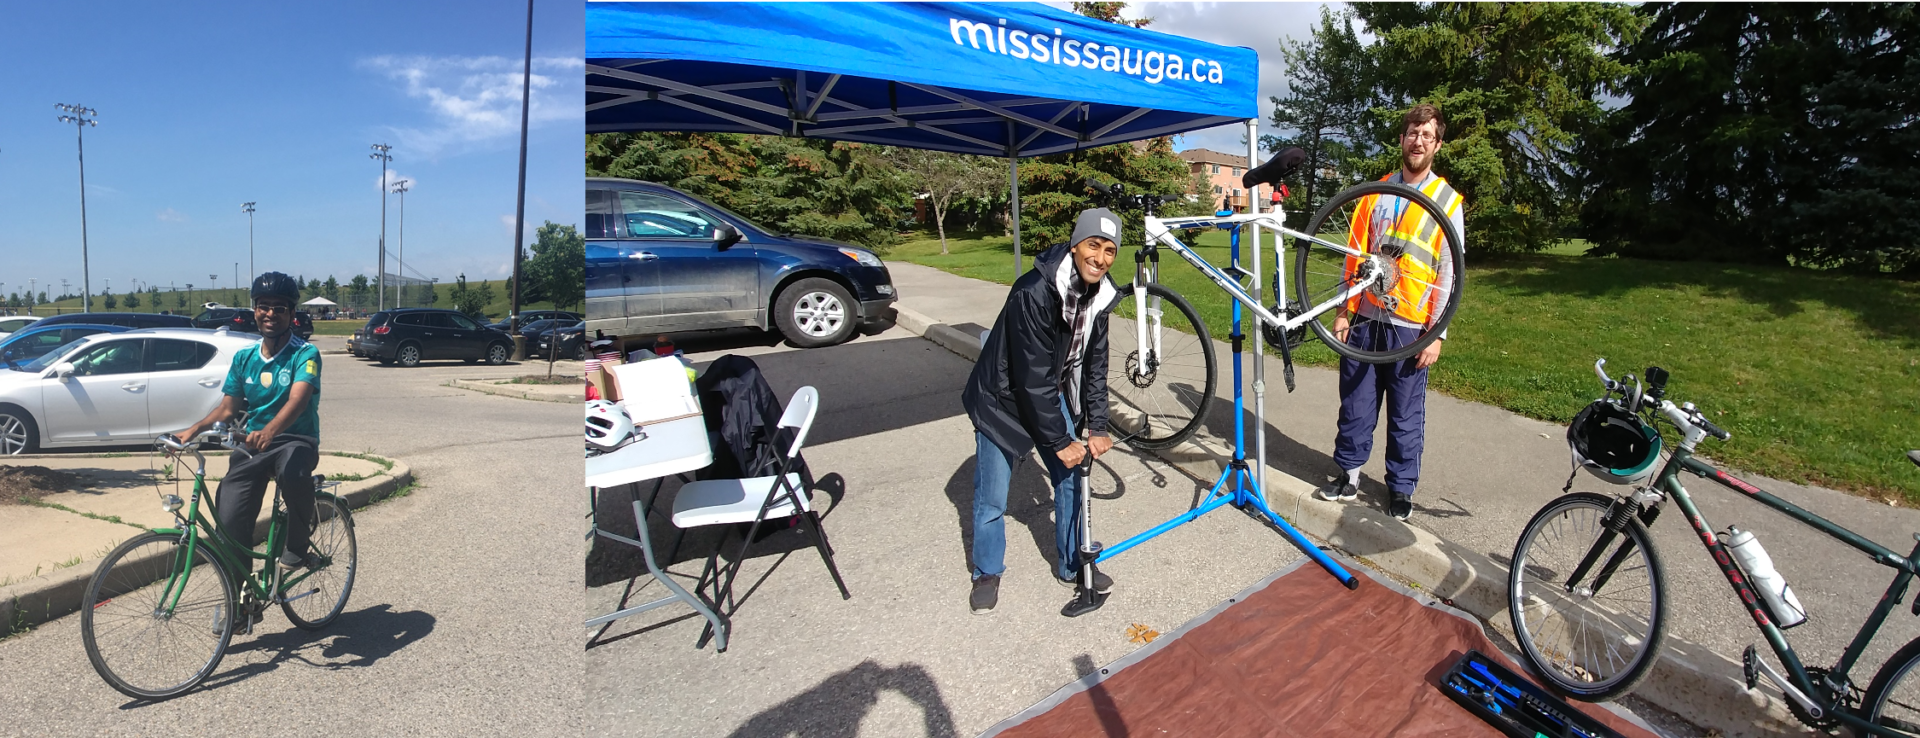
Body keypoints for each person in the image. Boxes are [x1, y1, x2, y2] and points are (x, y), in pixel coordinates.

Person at [961, 208, 1122, 614]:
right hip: (1002, 399)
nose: (1100, 258)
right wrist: (1059, 439)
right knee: (993, 495)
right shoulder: (1032, 291)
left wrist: (1097, 424)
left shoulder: (1098, 296)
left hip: (1046, 395)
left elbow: (1096, 366)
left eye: (1109, 250)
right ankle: (986, 570)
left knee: (1070, 478)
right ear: (1074, 245)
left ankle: (1073, 565)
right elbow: (1030, 376)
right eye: (1092, 246)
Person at [1316, 103, 1466, 521]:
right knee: (1356, 404)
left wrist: (1438, 333)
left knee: (1405, 415)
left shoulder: (1448, 202)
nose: (1418, 141)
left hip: (1411, 327)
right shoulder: (1376, 191)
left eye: (1427, 135)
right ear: (1402, 139)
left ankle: (1400, 490)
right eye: (1412, 133)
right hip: (1365, 316)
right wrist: (1344, 311)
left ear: (1437, 144)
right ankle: (1348, 474)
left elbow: (1450, 273)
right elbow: (1354, 255)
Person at [173, 271, 324, 583]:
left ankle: (297, 545)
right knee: (228, 517)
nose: (270, 314)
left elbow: (298, 399)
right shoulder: (244, 358)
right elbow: (227, 408)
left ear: (292, 314)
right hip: (253, 445)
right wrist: (194, 430)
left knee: (294, 472)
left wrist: (270, 431)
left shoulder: (305, 354)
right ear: (255, 310)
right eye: (263, 306)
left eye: (279, 308)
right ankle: (241, 599)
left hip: (295, 439)